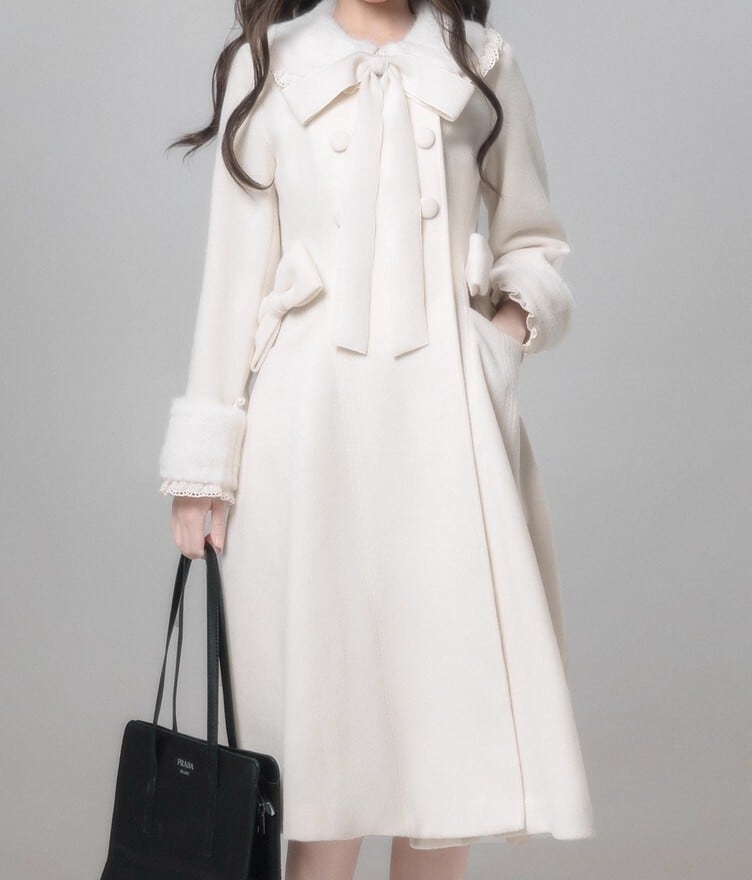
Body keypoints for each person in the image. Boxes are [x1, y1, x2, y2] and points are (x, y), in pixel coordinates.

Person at [158, 1, 595, 877]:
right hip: (307, 433)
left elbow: (533, 238)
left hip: (451, 436)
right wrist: (205, 470)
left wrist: (498, 343)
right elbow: (233, 276)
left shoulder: (480, 61)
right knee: (327, 745)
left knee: (447, 735)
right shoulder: (268, 61)